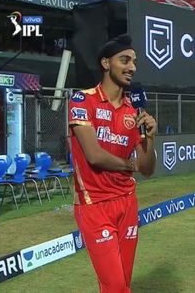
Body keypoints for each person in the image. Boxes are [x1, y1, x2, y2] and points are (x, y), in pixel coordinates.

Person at [68, 34, 157, 293]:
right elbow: (94, 156)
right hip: (94, 204)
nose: (132, 67)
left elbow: (148, 169)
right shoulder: (83, 100)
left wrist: (150, 138)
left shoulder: (135, 112)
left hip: (127, 202)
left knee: (122, 285)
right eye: (125, 60)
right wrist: (130, 166)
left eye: (135, 62)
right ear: (106, 64)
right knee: (116, 286)